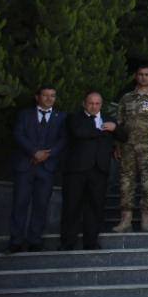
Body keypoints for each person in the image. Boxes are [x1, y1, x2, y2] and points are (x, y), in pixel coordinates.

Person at [9, 85, 67, 253]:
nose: (49, 99)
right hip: (25, 166)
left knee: (41, 205)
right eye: (46, 95)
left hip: (47, 168)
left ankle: (35, 240)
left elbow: (63, 139)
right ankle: (16, 241)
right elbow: (18, 134)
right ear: (37, 97)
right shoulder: (24, 114)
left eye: (53, 96)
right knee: (19, 203)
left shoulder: (61, 117)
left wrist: (48, 154)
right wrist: (34, 152)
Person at [61, 92, 117, 251]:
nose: (94, 106)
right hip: (76, 170)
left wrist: (116, 128)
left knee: (95, 207)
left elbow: (124, 135)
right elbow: (79, 132)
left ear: (101, 104)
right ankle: (68, 242)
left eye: (97, 103)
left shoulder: (109, 120)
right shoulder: (74, 118)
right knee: (71, 207)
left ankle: (91, 242)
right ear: (84, 103)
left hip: (99, 171)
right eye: (91, 103)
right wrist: (103, 131)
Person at [113, 65, 148, 232]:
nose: (143, 78)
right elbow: (119, 124)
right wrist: (118, 145)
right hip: (128, 148)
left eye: (147, 75)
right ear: (136, 76)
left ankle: (146, 219)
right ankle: (125, 220)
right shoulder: (126, 98)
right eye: (140, 74)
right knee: (126, 184)